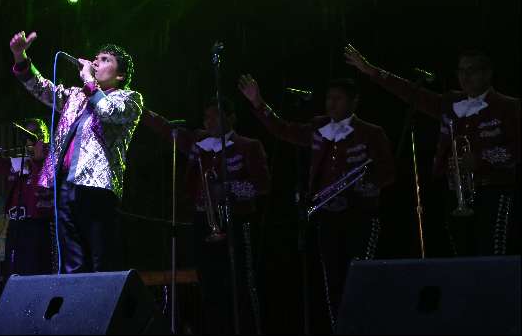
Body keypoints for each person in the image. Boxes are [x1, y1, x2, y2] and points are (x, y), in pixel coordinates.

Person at [239, 75, 395, 332]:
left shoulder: (371, 132)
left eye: (338, 99)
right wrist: (259, 103)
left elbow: (387, 173)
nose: (331, 104)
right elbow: (283, 129)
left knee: (360, 277)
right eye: (328, 98)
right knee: (332, 280)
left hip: (361, 216)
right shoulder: (317, 128)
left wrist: (364, 183)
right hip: (327, 215)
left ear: (354, 102)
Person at [345, 45, 520, 256]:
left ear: (487, 73)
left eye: (471, 70)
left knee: (492, 253)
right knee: (461, 255)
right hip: (454, 192)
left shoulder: (508, 106)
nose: (465, 77)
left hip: (493, 190)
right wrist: (373, 71)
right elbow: (410, 92)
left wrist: (481, 159)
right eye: (461, 71)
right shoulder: (449, 102)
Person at [9, 30, 143, 273]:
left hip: (97, 188)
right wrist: (21, 57)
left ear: (120, 75)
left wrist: (90, 82)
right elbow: (42, 89)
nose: (95, 62)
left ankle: (104, 307)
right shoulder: (77, 96)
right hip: (65, 186)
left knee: (102, 258)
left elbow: (108, 112)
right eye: (96, 58)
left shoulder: (130, 99)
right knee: (72, 261)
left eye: (105, 60)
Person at [141, 97, 271, 335]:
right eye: (206, 117)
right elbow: (164, 127)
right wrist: (138, 106)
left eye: (215, 116)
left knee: (240, 284)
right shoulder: (198, 143)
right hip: (203, 221)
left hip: (236, 221)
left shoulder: (248, 145)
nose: (209, 121)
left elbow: (262, 186)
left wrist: (227, 188)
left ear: (231, 118)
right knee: (209, 286)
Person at [0, 118, 55, 275]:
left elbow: (42, 186)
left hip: (38, 225)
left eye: (36, 134)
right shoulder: (20, 161)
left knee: (35, 271)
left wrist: (38, 159)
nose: (31, 139)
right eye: (27, 134)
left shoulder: (51, 161)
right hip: (16, 225)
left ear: (45, 137)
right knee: (13, 271)